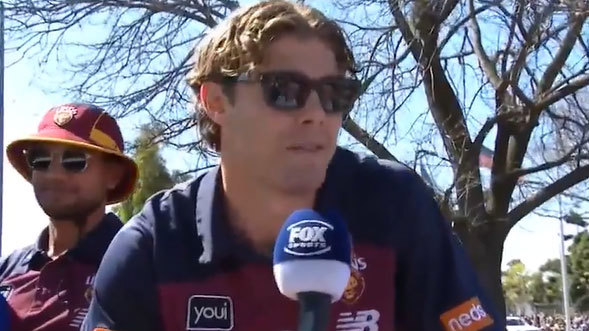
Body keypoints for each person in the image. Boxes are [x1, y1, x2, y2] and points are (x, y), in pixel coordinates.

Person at [82, 1, 505, 330]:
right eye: (284, 90)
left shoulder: (394, 205)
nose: (316, 114)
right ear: (215, 102)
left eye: (334, 94)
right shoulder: (153, 246)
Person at [0, 103, 138, 331]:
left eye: (75, 161)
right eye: (40, 160)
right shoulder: (7, 269)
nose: (54, 175)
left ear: (113, 175)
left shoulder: (139, 265)